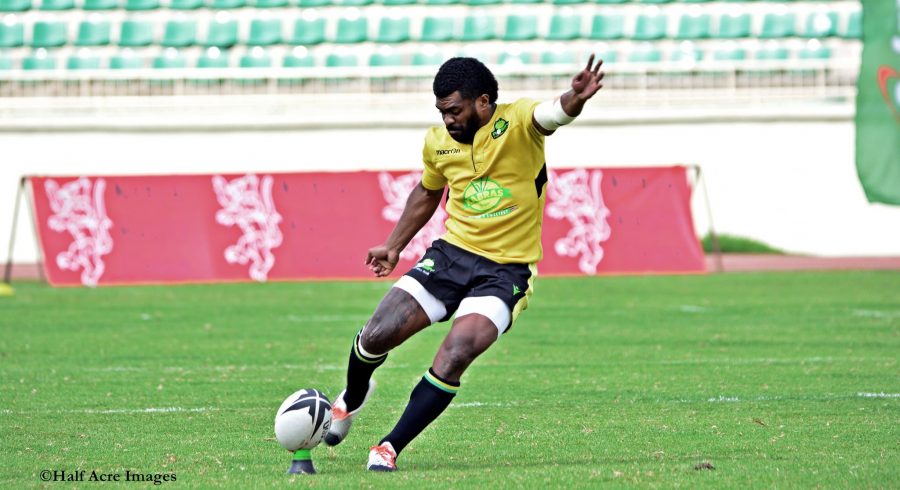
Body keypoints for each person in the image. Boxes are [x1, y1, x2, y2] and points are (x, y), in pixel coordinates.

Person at [324, 55, 605, 471]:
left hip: (506, 271)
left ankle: (389, 446)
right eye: (441, 112)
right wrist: (393, 245)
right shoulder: (437, 142)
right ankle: (353, 394)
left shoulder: (518, 123)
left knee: (457, 352)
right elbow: (426, 192)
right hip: (452, 256)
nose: (448, 120)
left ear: (484, 102)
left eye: (454, 110)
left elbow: (554, 113)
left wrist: (574, 99)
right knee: (376, 334)